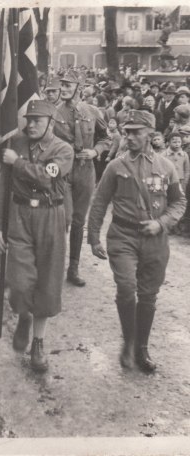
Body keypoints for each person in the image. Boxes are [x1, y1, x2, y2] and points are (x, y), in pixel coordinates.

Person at [87, 110, 186, 373]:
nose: (128, 136)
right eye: (126, 131)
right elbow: (99, 202)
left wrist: (162, 223)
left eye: (135, 132)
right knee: (126, 285)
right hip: (123, 236)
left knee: (148, 295)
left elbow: (178, 201)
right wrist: (93, 237)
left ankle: (141, 347)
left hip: (155, 238)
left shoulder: (166, 167)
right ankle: (128, 341)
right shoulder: (115, 166)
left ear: (150, 135)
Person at [0, 100, 73, 372]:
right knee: (19, 278)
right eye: (29, 119)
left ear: (51, 122)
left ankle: (38, 342)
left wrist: (18, 163)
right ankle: (23, 314)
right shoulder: (15, 143)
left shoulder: (63, 149)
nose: (31, 124)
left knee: (48, 282)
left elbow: (46, 177)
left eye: (38, 120)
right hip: (20, 215)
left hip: (51, 216)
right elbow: (3, 187)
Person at [54, 69, 109, 287]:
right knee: (64, 219)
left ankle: (73, 268)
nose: (64, 89)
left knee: (78, 221)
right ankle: (55, 264)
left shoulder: (92, 111)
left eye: (68, 85)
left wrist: (95, 151)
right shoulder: (54, 113)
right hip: (64, 171)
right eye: (62, 85)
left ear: (79, 88)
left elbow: (106, 138)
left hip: (86, 170)